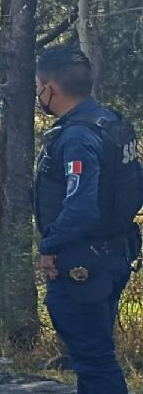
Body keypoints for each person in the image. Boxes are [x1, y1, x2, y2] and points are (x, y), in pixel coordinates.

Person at [34, 46, 143, 393]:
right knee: (92, 357)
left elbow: (81, 207)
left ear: (50, 89)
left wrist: (49, 246)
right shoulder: (112, 123)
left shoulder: (78, 136)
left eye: (38, 86)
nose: (38, 94)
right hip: (114, 254)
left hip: (82, 265)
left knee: (94, 362)